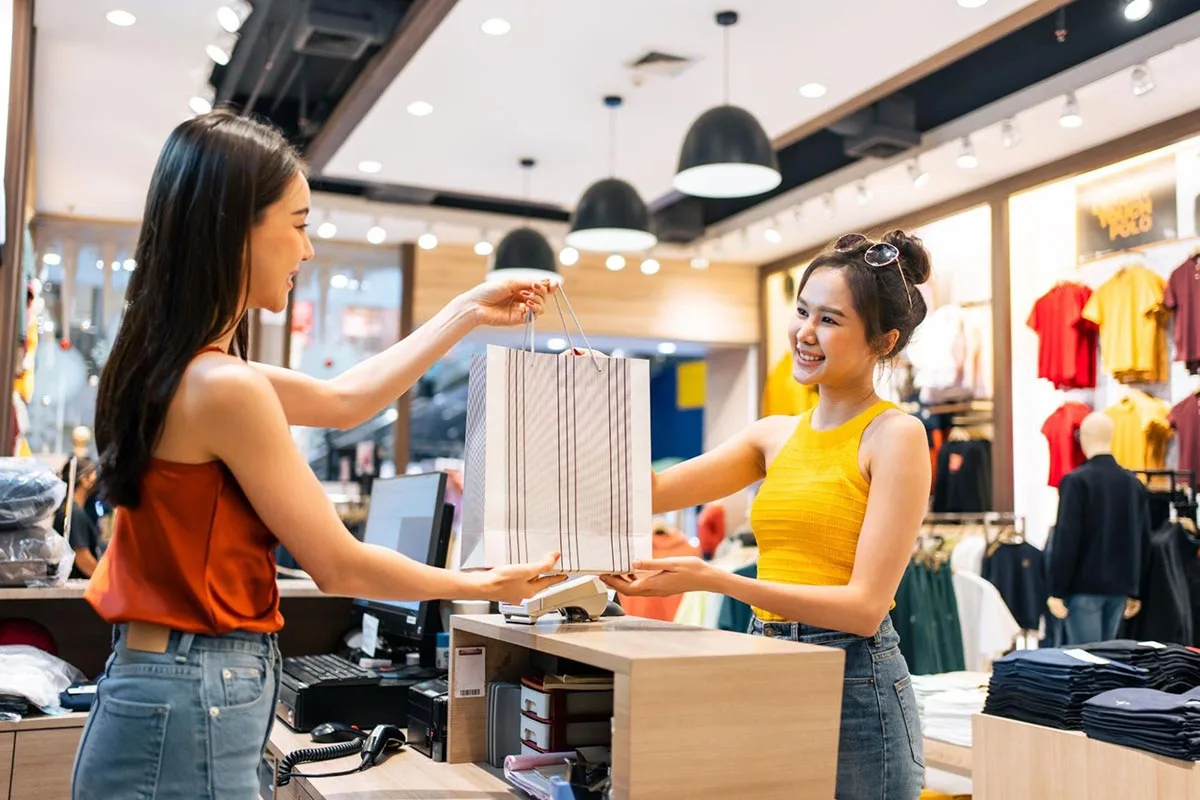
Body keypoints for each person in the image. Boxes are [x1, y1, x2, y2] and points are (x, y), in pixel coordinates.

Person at [71, 110, 565, 800]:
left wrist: (468, 312)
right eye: (298, 224)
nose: (307, 252)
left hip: (169, 680)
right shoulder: (223, 387)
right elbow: (338, 563)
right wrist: (486, 586)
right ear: (234, 227)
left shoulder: (179, 369)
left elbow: (342, 401)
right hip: (197, 687)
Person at [603, 231, 934, 799]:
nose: (805, 333)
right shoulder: (773, 436)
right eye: (802, 311)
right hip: (768, 655)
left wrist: (714, 578)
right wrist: (595, 394)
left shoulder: (895, 435)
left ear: (883, 340)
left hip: (855, 682)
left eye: (830, 320)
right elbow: (645, 491)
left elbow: (862, 608)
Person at [51, 457, 102, 579]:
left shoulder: (70, 510)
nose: (97, 478)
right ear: (84, 479)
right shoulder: (74, 513)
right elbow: (82, 558)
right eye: (94, 474)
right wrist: (106, 580)